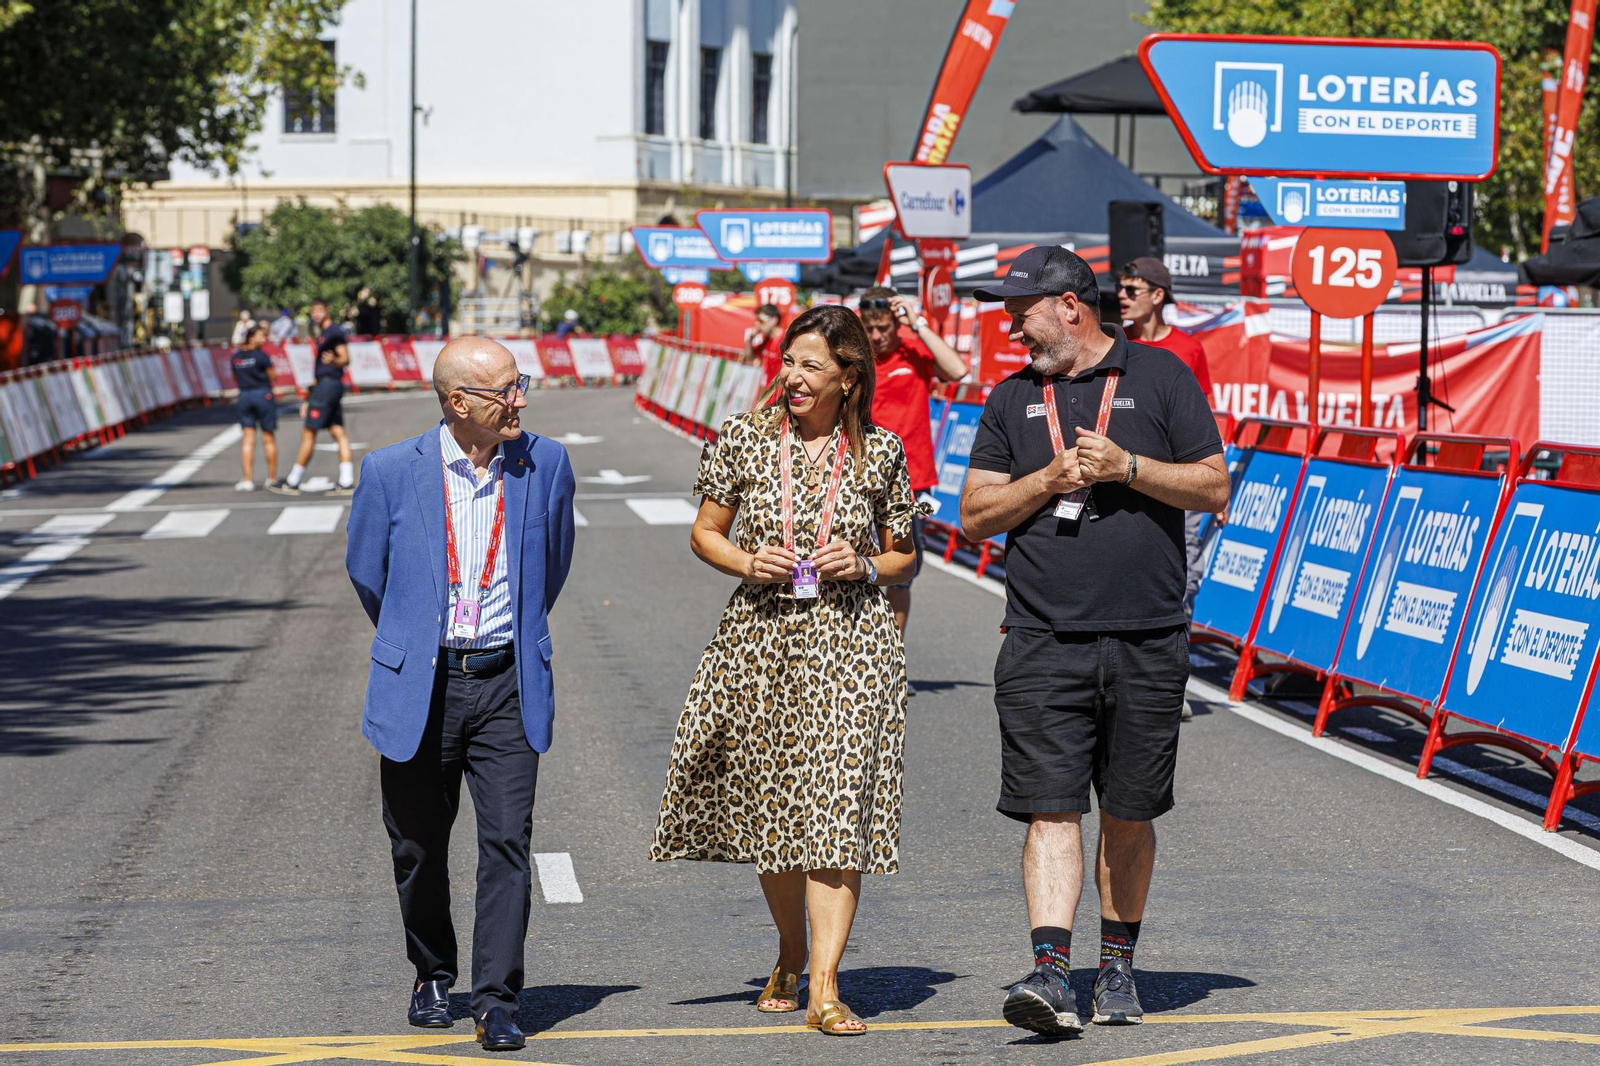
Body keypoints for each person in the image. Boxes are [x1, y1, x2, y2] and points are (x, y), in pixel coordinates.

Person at [959, 247, 1229, 1035]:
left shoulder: (1162, 375)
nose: (1013, 326)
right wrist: (1046, 481)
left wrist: (1129, 464)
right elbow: (974, 515)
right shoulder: (1011, 400)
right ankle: (1050, 972)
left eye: (1022, 310)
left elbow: (1215, 485)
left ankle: (1116, 968)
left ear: (1071, 306)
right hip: (1043, 636)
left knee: (1130, 812)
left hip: (1147, 635)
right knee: (1050, 810)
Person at [651, 305, 921, 1038]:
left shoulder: (882, 453)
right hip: (761, 640)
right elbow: (705, 533)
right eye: (788, 361)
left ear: (848, 376)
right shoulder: (741, 438)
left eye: (810, 365)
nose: (792, 376)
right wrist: (749, 560)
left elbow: (906, 556)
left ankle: (826, 988)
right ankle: (791, 950)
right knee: (775, 814)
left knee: (835, 811)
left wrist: (864, 562)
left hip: (850, 644)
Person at [345, 336, 577, 1052]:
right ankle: (432, 971)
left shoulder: (547, 464)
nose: (520, 400)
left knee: (508, 841)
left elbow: (553, 564)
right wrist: (416, 643)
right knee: (417, 845)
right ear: (459, 403)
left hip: (507, 680)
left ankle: (499, 998)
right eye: (505, 390)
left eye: (519, 384)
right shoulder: (389, 472)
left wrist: (512, 635)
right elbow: (367, 573)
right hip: (426, 683)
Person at [1118, 256, 1219, 707]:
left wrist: (1214, 484)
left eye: (1132, 290)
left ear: (1158, 296)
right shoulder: (1114, 344)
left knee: (1183, 579)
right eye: (1120, 288)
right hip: (1128, 481)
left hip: (1180, 480)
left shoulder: (1188, 349)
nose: (1122, 296)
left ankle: (1169, 679)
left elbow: (1206, 421)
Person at [855, 286, 969, 657]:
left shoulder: (912, 347)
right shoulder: (855, 358)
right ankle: (851, 650)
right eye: (870, 329)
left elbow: (958, 370)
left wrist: (916, 322)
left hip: (910, 480)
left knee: (900, 572)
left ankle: (889, 657)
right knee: (851, 564)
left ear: (895, 322)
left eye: (883, 328)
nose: (877, 336)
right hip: (857, 477)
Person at [269, 298, 355, 496]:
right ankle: (346, 480)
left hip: (327, 386)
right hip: (328, 386)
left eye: (319, 310)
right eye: (313, 311)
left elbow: (345, 358)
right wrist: (308, 396)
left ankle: (293, 481)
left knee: (309, 432)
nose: (315, 314)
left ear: (327, 311)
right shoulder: (324, 334)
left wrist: (335, 360)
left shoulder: (333, 332)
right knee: (338, 432)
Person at [231, 323, 278, 490]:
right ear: (251, 338)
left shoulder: (236, 357)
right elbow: (273, 376)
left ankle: (248, 479)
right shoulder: (262, 356)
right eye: (260, 336)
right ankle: (272, 478)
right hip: (262, 394)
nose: (263, 339)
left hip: (244, 396)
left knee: (247, 438)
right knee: (268, 437)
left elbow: (235, 377)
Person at [743, 303, 784, 387]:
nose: (757, 324)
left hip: (781, 394)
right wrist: (751, 338)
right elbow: (748, 358)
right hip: (768, 392)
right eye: (756, 320)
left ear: (773, 320)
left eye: (760, 320)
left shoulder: (786, 339)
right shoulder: (766, 340)